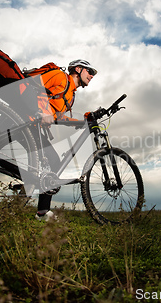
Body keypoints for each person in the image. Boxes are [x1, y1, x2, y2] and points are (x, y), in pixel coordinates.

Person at [33, 59, 98, 221]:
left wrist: (82, 123)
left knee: (53, 162)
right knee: (52, 161)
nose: (92, 75)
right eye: (89, 71)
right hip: (27, 119)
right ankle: (41, 211)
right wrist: (43, 110)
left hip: (34, 125)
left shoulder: (70, 94)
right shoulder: (61, 77)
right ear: (78, 69)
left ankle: (42, 212)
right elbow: (35, 85)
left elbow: (58, 117)